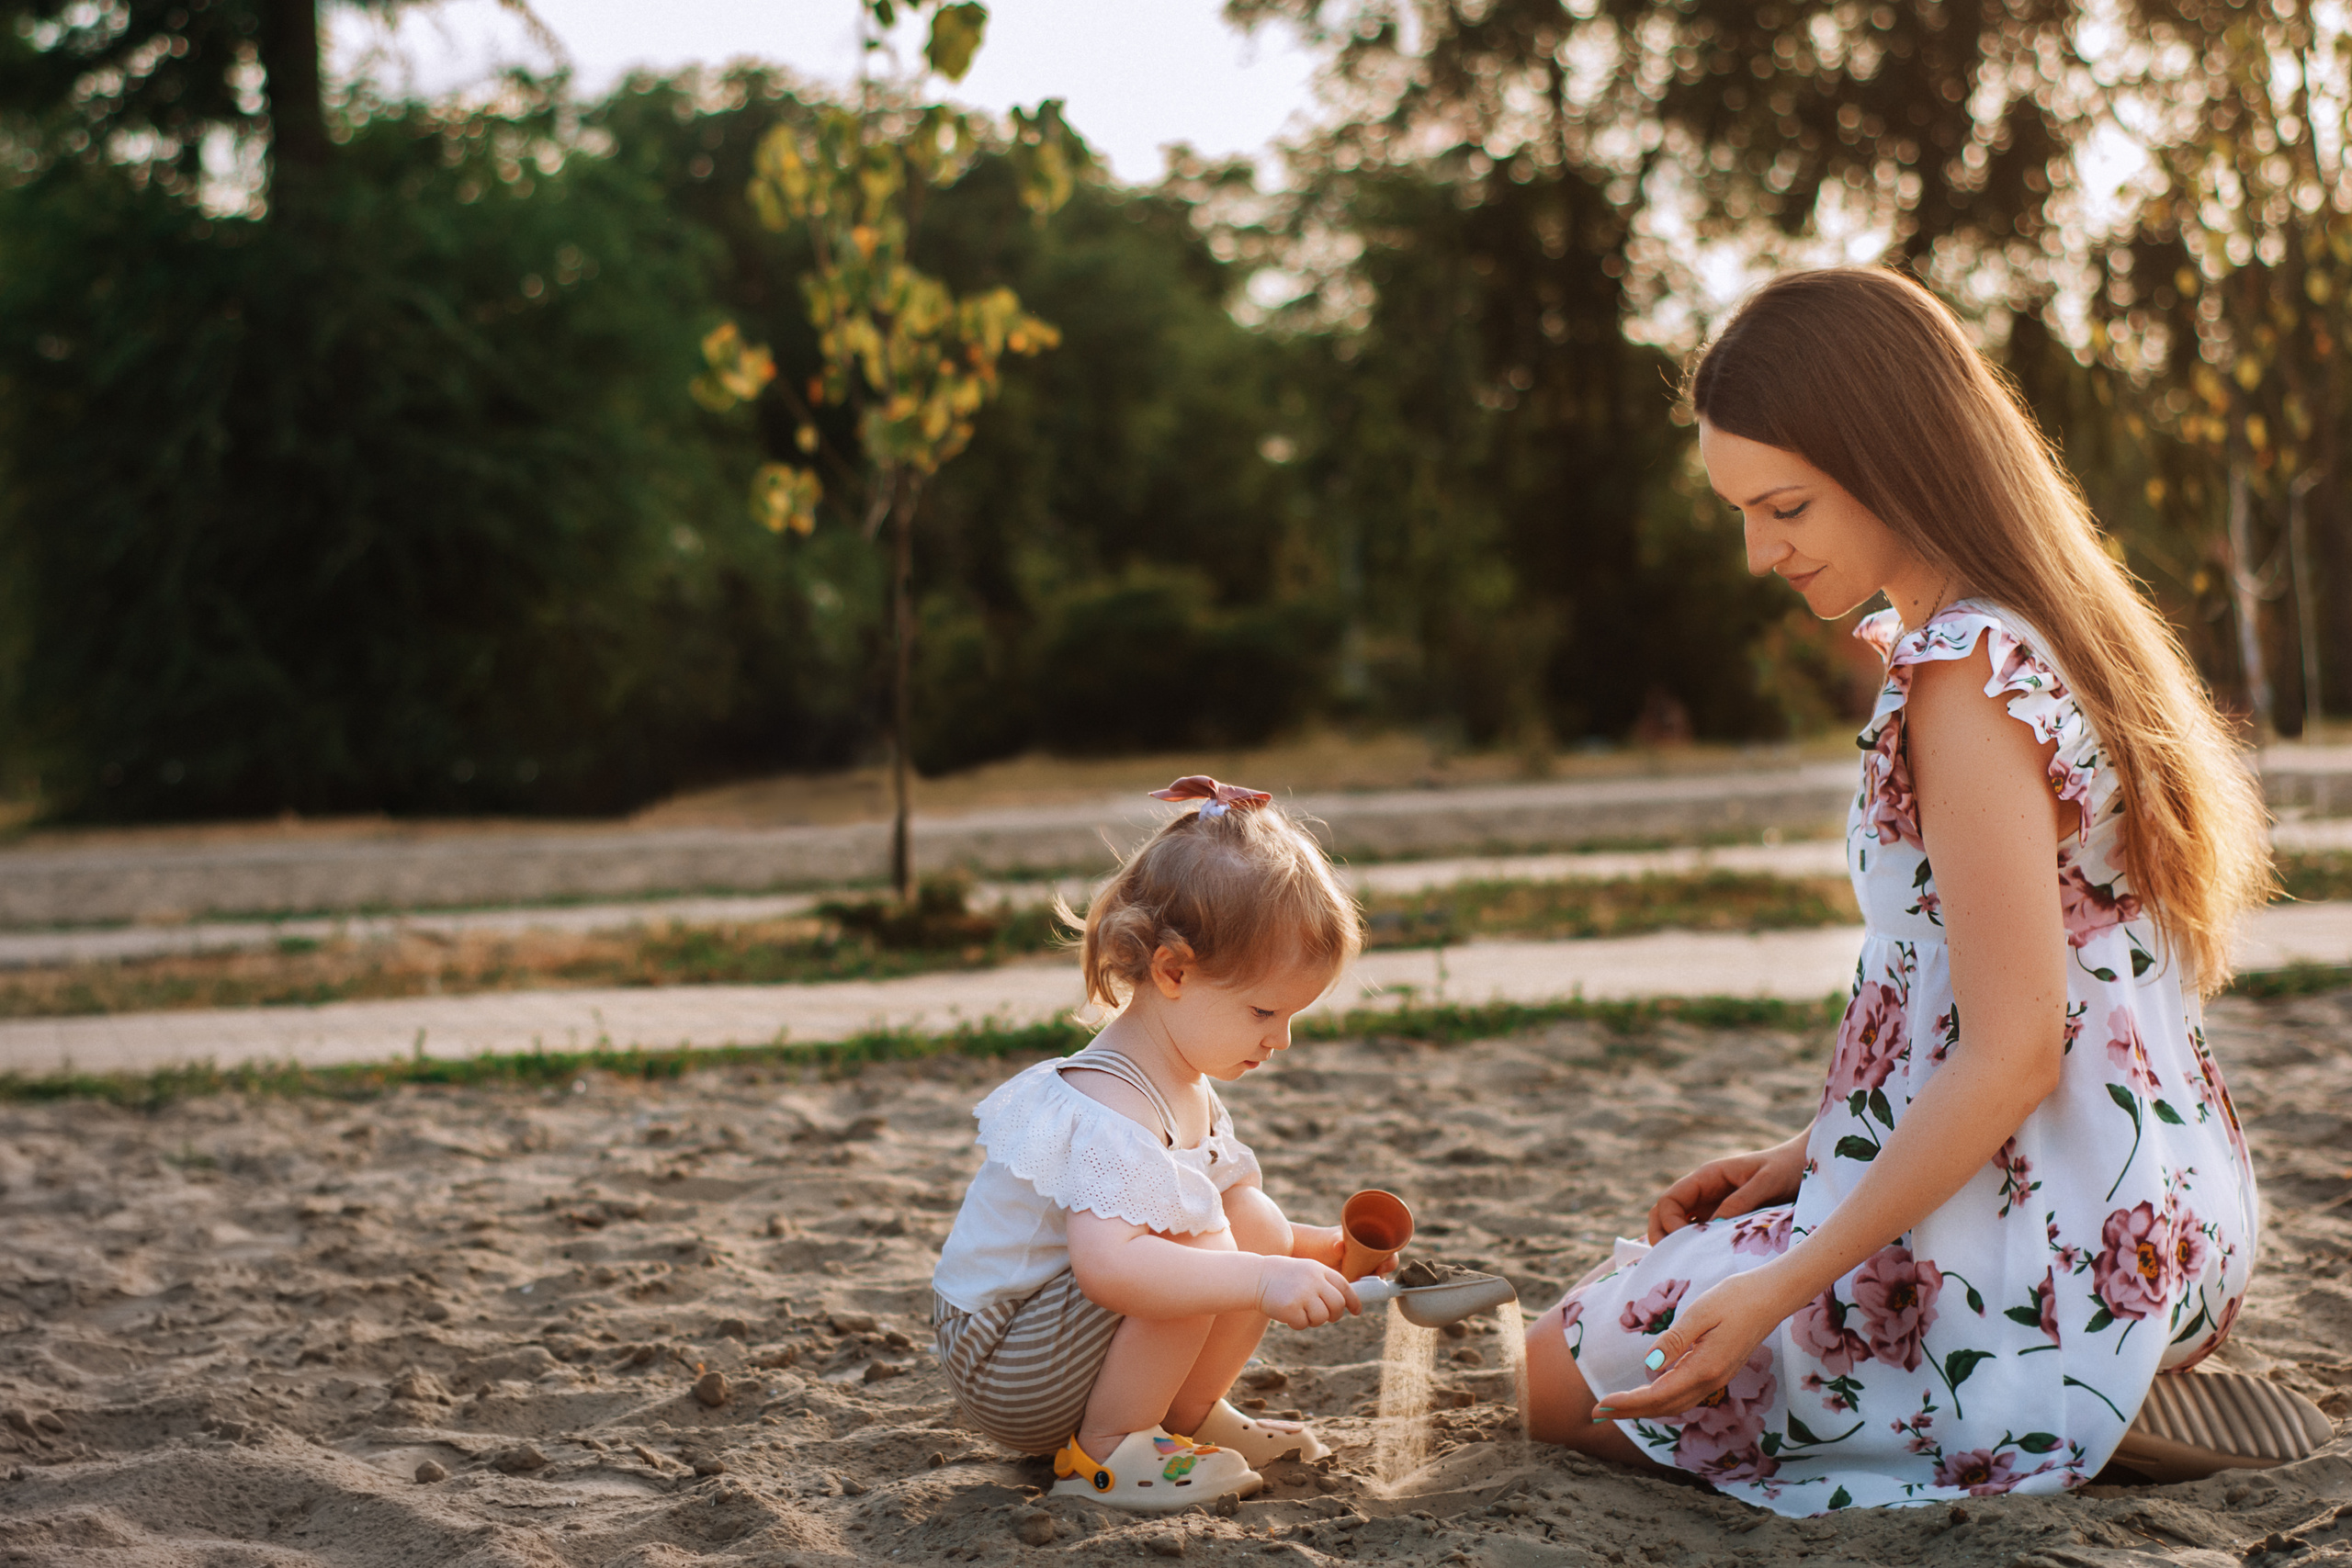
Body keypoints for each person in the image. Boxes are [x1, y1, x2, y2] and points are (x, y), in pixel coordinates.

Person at [1523, 266, 2274, 1512]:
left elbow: (2018, 1048)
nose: (1762, 552)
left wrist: (1786, 1279)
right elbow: (2041, 1007)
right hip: (2171, 1223)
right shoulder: (2047, 630)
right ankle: (2088, 1376)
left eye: (1786, 507)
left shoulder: (1966, 678)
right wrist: (1807, 1150)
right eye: (1743, 512)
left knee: (1557, 1375)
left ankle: (2046, 1399)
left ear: (1894, 460)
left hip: (2051, 1254)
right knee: (1674, 1289)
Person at [931, 775, 1384, 1511]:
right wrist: (1263, 1281)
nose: (1282, 1038)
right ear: (1173, 970)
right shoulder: (1109, 1104)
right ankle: (1107, 1450)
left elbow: (1234, 1215)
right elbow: (1113, 1269)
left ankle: (1181, 1417)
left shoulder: (1185, 1082)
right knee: (1209, 1250)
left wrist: (1320, 1251)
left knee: (1256, 1223)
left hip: (1053, 1340)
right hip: (1003, 1359)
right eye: (1264, 1009)